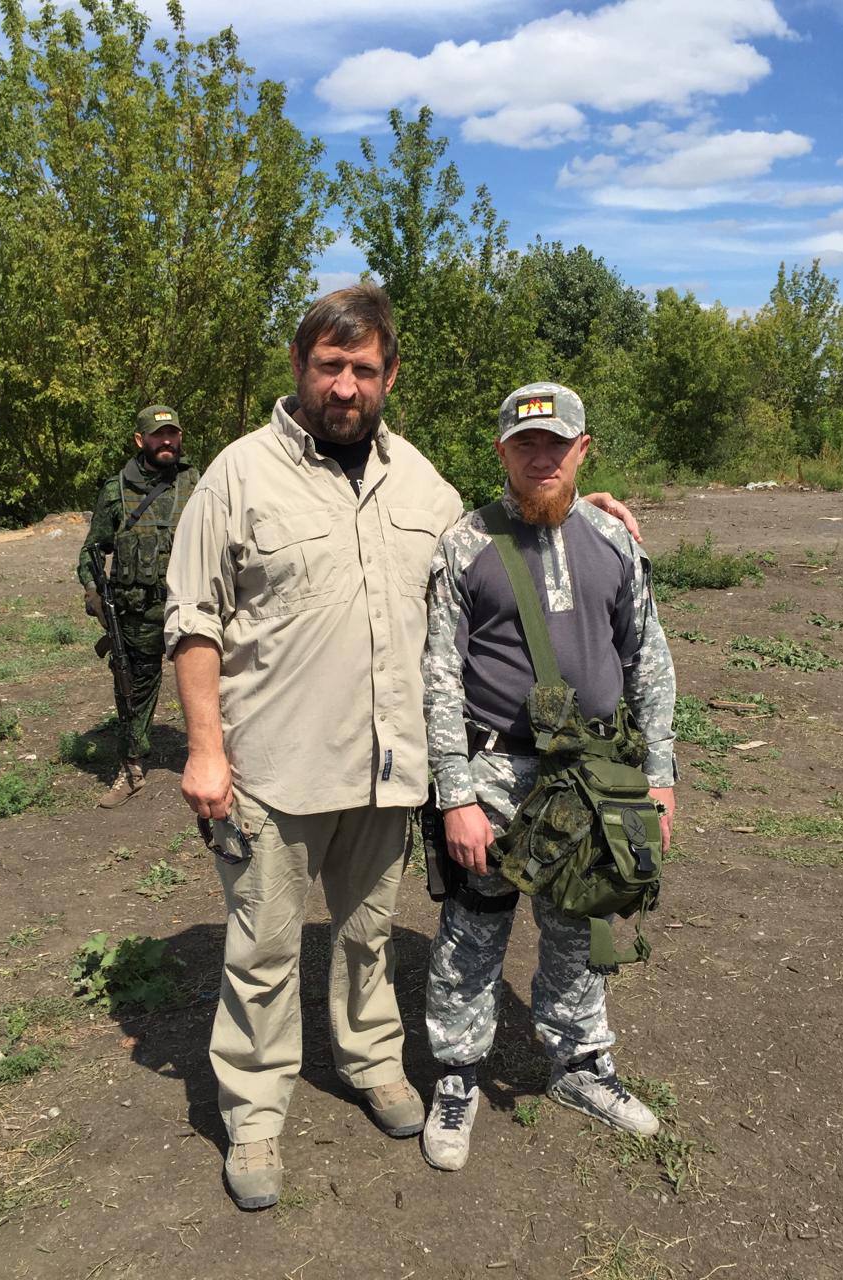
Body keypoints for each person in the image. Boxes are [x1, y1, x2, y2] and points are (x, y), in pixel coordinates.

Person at [164, 288, 641, 1210]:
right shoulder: (237, 476)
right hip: (273, 768)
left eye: (363, 368)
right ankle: (254, 1115)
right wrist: (204, 750)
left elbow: (492, 549)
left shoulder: (423, 485)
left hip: (388, 770)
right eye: (328, 366)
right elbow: (194, 622)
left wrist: (577, 511)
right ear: (299, 367)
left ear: (389, 376)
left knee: (366, 935)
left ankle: (373, 1062)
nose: (345, 385)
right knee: (263, 950)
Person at [421, 381, 676, 1173]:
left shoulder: (613, 539)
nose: (542, 458)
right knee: (474, 927)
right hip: (495, 771)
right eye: (525, 444)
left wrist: (660, 775)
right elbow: (438, 678)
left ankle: (579, 1064)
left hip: (595, 775)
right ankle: (458, 1074)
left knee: (581, 921)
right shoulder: (465, 546)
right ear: (502, 451)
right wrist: (456, 795)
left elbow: (649, 658)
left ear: (582, 450)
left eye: (556, 445)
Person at [77, 405, 198, 808]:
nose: (166, 441)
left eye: (172, 434)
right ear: (140, 440)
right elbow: (91, 550)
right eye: (158, 435)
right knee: (133, 689)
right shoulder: (116, 491)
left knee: (217, 685)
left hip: (192, 607)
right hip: (138, 613)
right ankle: (131, 769)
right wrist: (93, 591)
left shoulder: (198, 484)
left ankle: (223, 759)